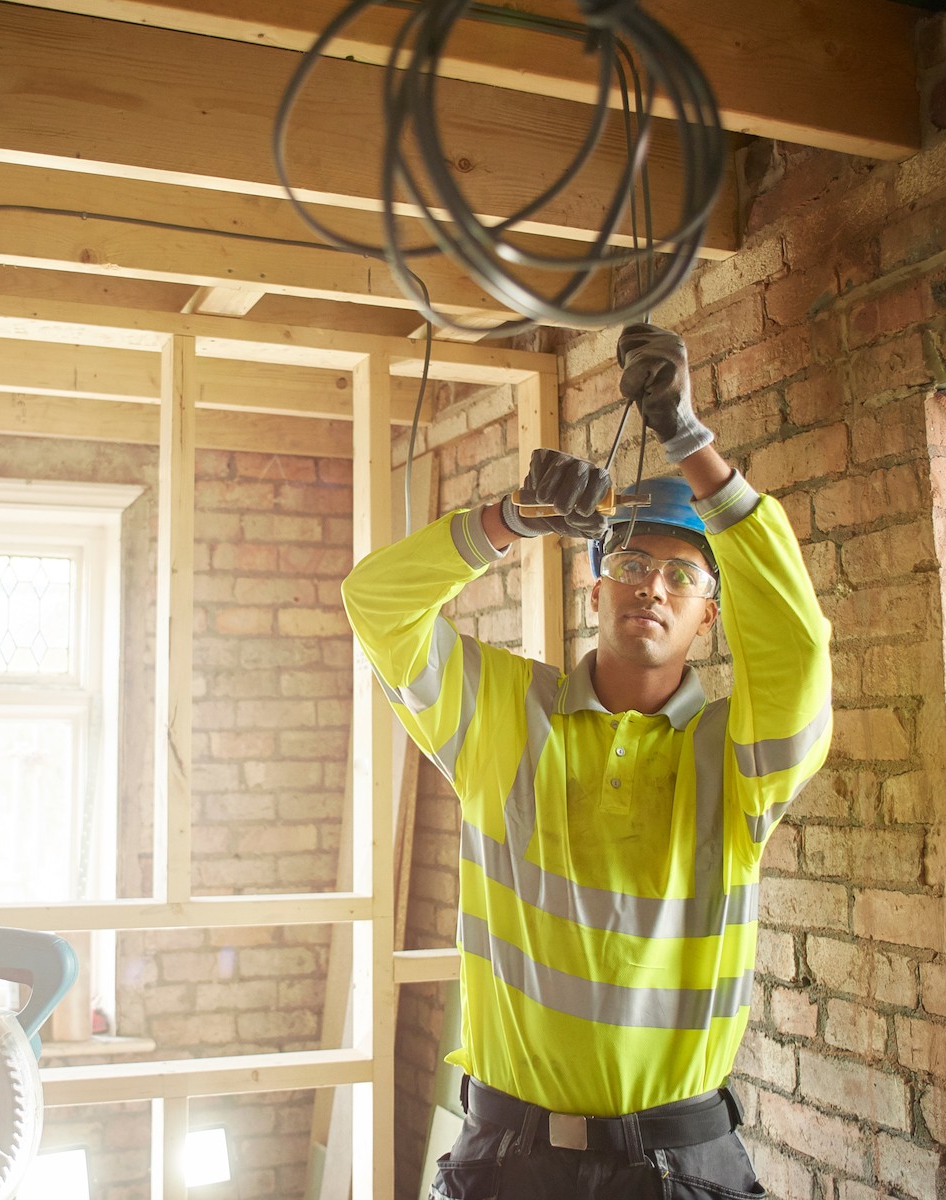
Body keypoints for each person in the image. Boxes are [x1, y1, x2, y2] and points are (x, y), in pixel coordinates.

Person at [342, 325, 832, 1198]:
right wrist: (509, 520)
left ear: (708, 618)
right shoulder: (499, 713)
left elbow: (797, 644)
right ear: (595, 583)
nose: (654, 586)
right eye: (635, 562)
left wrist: (689, 438)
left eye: (685, 577)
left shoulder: (735, 757)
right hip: (506, 1159)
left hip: (678, 1166)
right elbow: (375, 604)